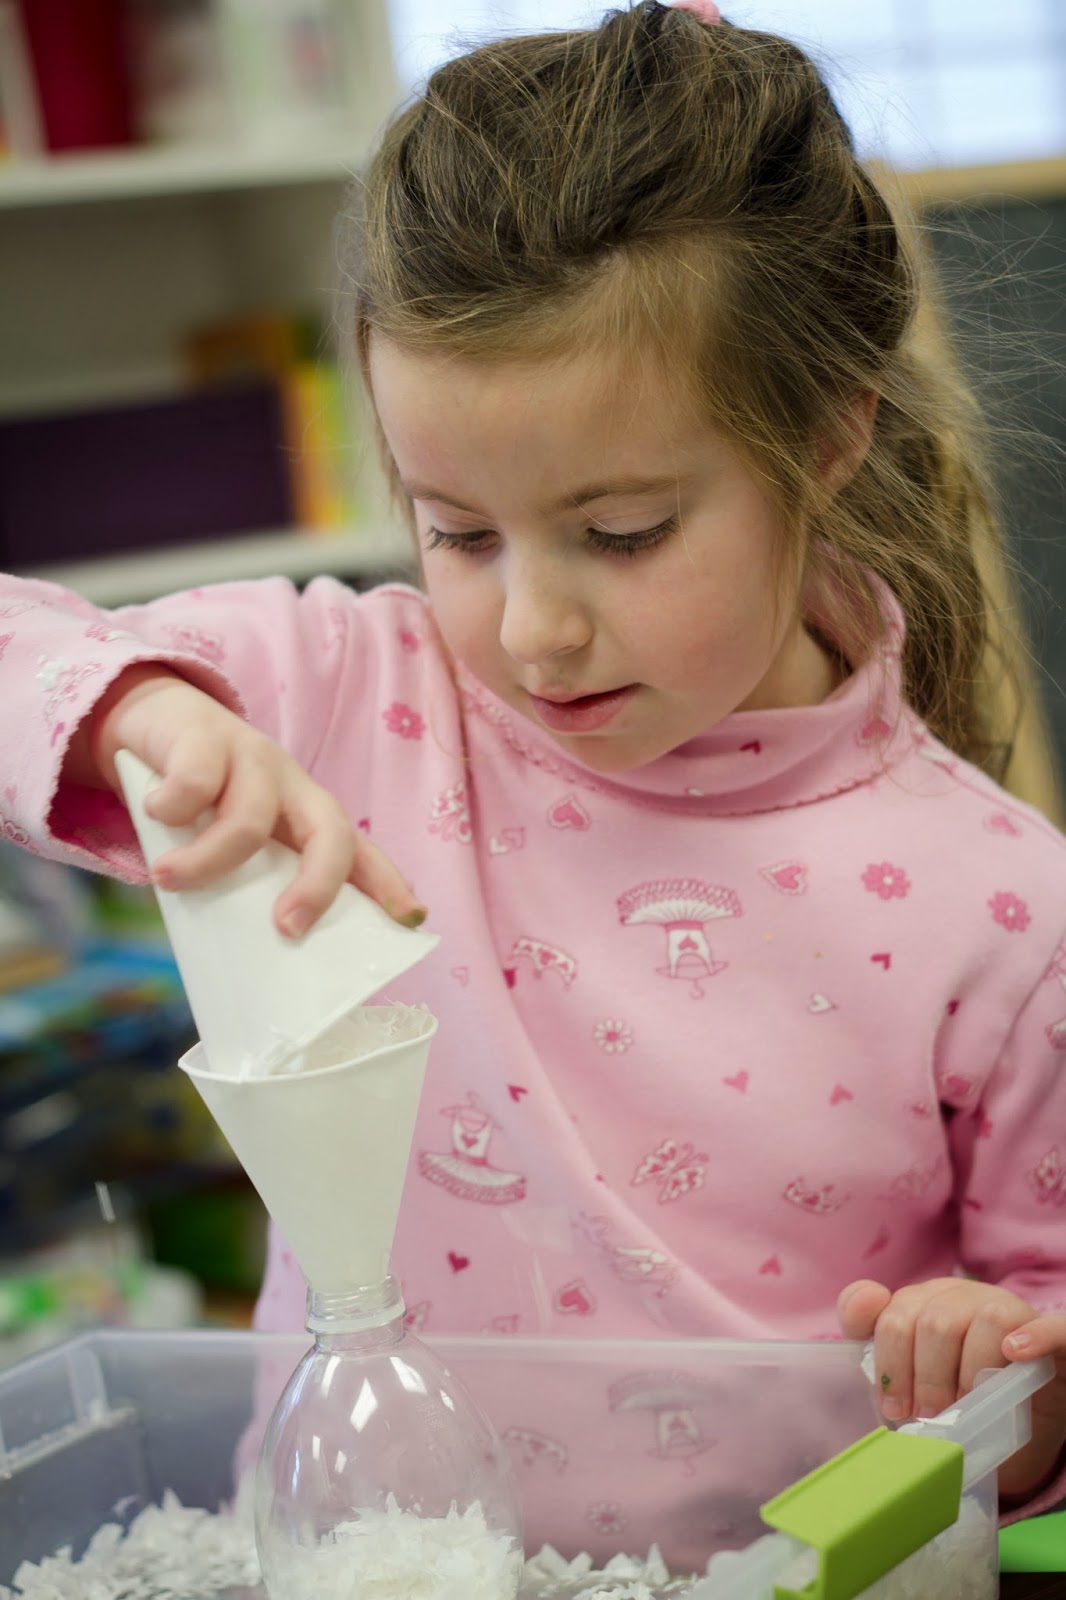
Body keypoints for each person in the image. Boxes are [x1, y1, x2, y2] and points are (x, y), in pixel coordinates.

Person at [2, 0, 1065, 1547]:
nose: (533, 627)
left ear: (828, 438)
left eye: (622, 532)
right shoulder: (354, 689)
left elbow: (1041, 1345)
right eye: (456, 531)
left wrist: (1002, 1382)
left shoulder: (1001, 908)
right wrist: (145, 717)